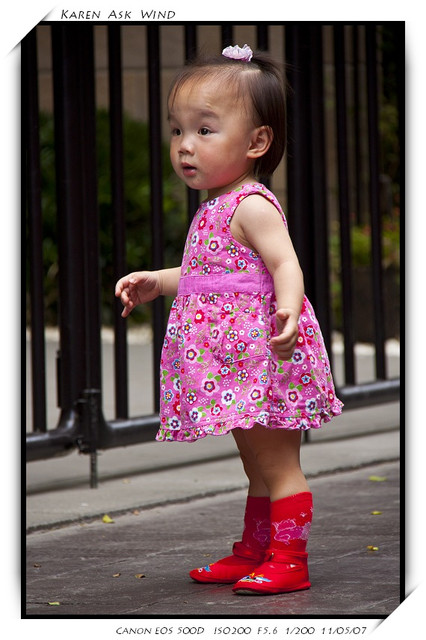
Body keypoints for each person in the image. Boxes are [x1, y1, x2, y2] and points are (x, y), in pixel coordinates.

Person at [115, 43, 343, 595]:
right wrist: (158, 282)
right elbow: (207, 275)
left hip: (262, 356)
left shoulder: (252, 205)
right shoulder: (213, 208)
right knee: (255, 463)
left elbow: (284, 263)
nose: (184, 145)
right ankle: (254, 550)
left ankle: (289, 558)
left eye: (204, 130)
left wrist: (288, 311)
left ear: (257, 142)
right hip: (231, 364)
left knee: (277, 462)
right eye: (177, 130)